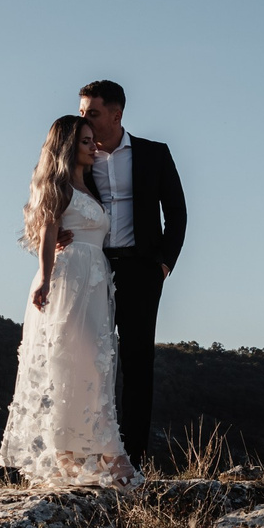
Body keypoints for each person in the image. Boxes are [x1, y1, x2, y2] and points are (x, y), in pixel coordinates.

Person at [0, 115, 139, 486]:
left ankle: (79, 456)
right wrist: (45, 276)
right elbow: (47, 231)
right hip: (69, 279)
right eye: (85, 142)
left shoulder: (90, 185)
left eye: (93, 141)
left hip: (96, 282)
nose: (93, 147)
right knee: (71, 362)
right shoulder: (59, 186)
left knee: (94, 364)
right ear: (67, 148)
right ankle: (93, 457)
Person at [77, 79, 186, 469]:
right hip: (94, 267)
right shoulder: (79, 156)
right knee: (91, 359)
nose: (84, 118)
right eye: (82, 111)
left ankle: (133, 461)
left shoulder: (154, 154)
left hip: (141, 270)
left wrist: (163, 263)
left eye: (92, 112)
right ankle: (92, 454)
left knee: (137, 362)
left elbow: (176, 212)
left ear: (116, 114)